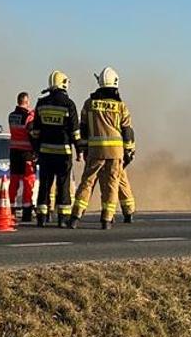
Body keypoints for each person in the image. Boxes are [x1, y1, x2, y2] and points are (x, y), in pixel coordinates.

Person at [67, 67, 135, 230]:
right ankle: (106, 219)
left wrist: (82, 149)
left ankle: (75, 217)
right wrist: (129, 151)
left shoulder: (89, 104)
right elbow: (127, 131)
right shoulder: (121, 106)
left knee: (87, 183)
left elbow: (83, 128)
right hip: (115, 152)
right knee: (112, 185)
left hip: (95, 151)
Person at [30, 70, 81, 227]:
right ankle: (63, 218)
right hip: (63, 152)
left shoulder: (41, 103)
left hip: (45, 152)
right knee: (63, 185)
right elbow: (75, 132)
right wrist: (79, 151)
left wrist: (36, 150)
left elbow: (35, 131)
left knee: (45, 184)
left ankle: (41, 216)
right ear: (64, 83)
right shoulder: (69, 104)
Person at [6, 92, 37, 219]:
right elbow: (32, 134)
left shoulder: (11, 116)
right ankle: (27, 210)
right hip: (26, 153)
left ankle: (10, 208)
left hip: (14, 151)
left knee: (13, 182)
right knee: (28, 181)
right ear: (26, 101)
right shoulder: (29, 116)